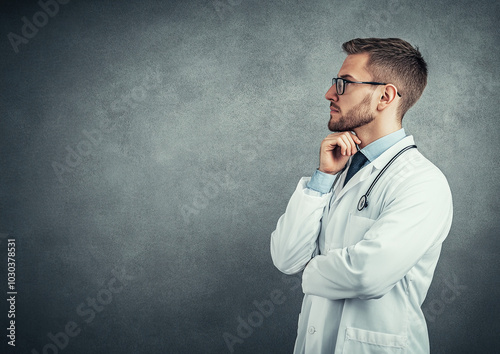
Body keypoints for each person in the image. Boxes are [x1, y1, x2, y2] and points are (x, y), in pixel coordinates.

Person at [270, 38, 453, 353]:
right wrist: (323, 179)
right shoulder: (336, 169)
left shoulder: (422, 182)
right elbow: (286, 257)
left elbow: (366, 276)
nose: (330, 94)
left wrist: (310, 267)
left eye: (344, 84)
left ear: (385, 96)